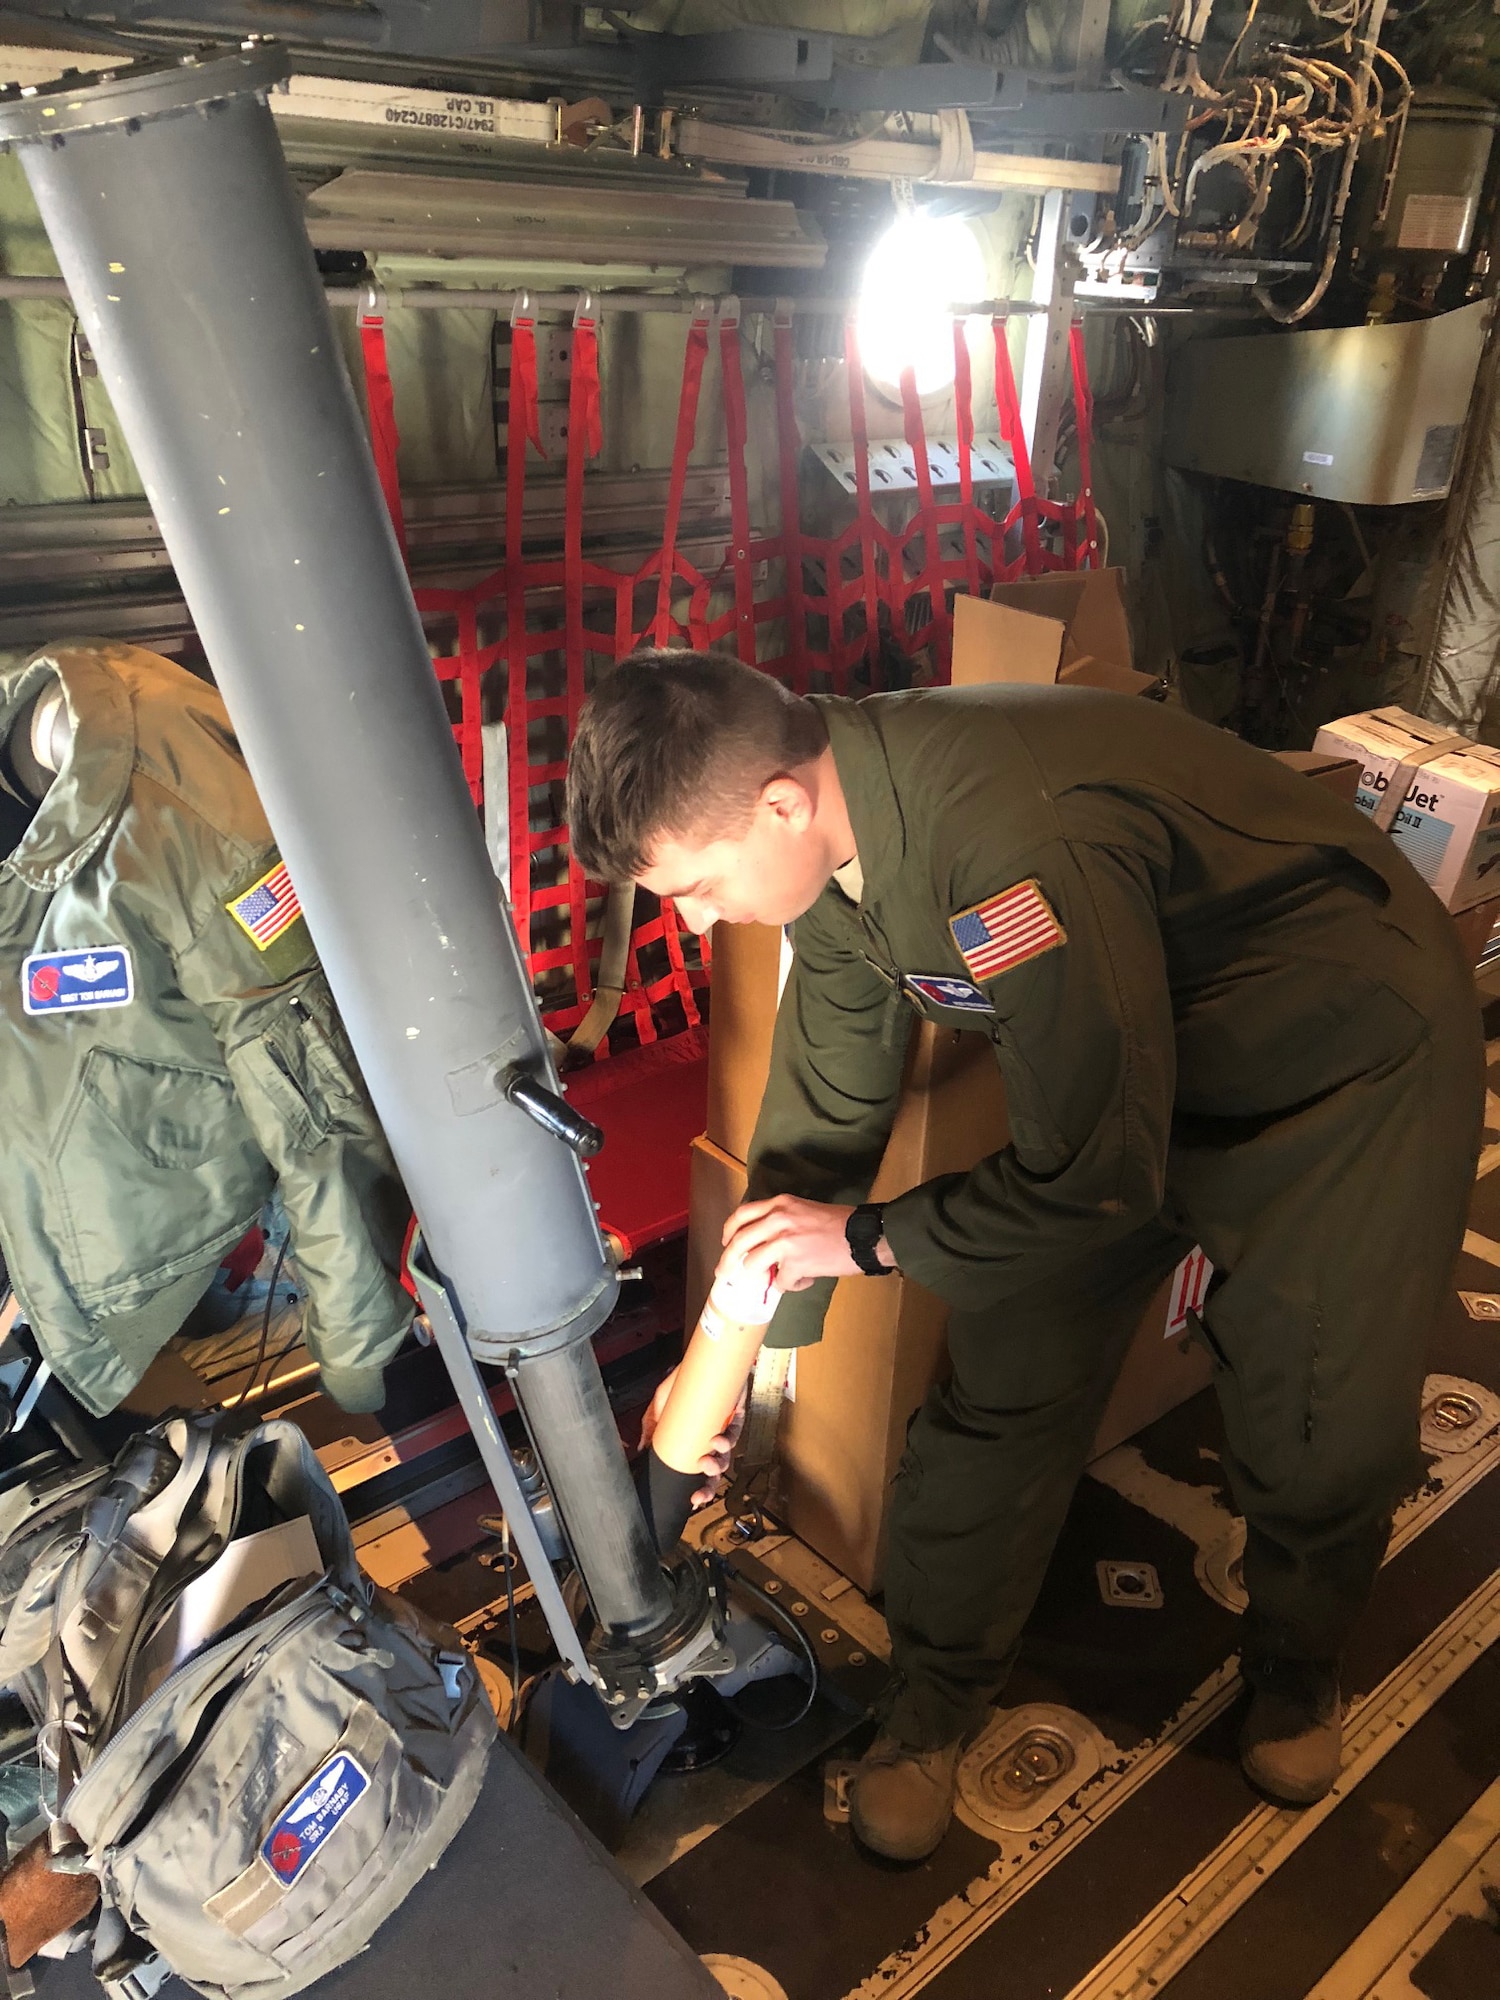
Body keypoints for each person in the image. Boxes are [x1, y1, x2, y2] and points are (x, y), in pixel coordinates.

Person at [566, 648, 1483, 1863]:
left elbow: (1094, 1180)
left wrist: (872, 1239)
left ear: (778, 803)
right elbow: (823, 1113)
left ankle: (1298, 1667)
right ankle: (935, 1705)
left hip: (1336, 1066)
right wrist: (731, 1365)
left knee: (1321, 1405)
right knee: (999, 1386)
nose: (693, 919)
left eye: (693, 883)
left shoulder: (1005, 846)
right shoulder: (830, 847)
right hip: (1125, 1067)